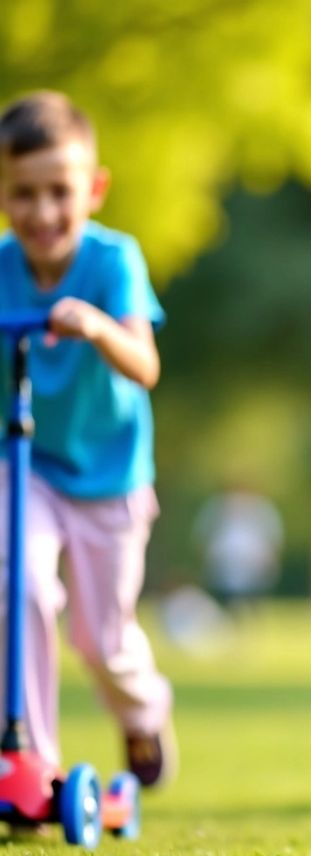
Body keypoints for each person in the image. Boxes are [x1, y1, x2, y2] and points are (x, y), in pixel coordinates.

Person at [0, 91, 174, 787]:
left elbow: (146, 366)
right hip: (27, 465)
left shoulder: (113, 261)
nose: (43, 213)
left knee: (102, 642)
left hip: (111, 475)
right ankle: (28, 759)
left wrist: (99, 326)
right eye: (23, 194)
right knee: (20, 590)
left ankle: (142, 713)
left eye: (59, 192)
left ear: (94, 190)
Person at [192, 486, 283, 610]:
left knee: (251, 590)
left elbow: (272, 537)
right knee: (226, 592)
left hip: (252, 563)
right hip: (224, 562)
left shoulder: (262, 509)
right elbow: (203, 535)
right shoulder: (216, 508)